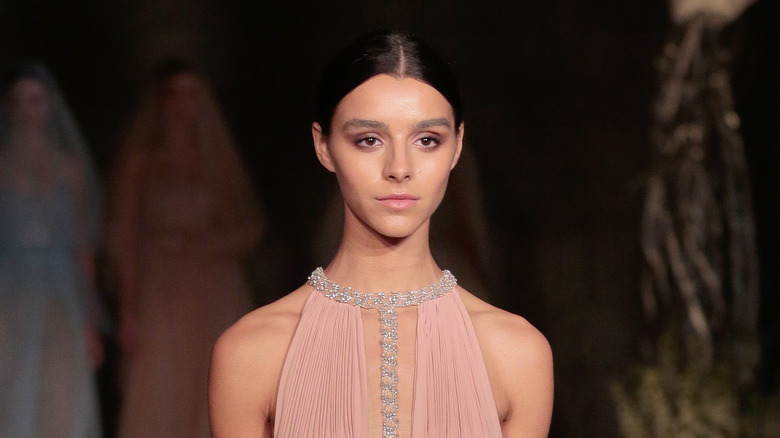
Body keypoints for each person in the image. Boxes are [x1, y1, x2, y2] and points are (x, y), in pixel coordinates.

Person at [209, 31, 554, 437]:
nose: (399, 168)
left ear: (457, 147)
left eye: (427, 140)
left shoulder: (518, 352)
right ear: (324, 146)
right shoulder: (251, 352)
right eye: (369, 140)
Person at [106, 60, 264, 438]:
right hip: (161, 284)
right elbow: (125, 236)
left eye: (192, 94)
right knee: (162, 378)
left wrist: (210, 242)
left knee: (213, 376)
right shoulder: (141, 162)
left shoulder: (214, 160)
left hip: (212, 283)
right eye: (175, 94)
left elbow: (245, 223)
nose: (183, 105)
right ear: (161, 101)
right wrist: (127, 312)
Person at [0, 63, 103, 438]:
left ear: (50, 105)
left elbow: (83, 245)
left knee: (61, 388)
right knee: (11, 384)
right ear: (8, 107)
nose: (29, 110)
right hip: (8, 288)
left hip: (60, 290)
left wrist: (91, 321)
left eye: (37, 100)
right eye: (20, 101)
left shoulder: (70, 168)